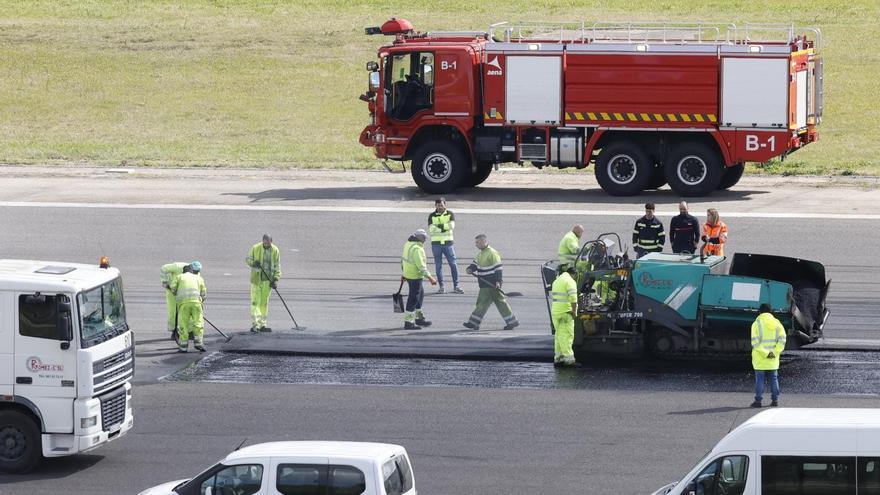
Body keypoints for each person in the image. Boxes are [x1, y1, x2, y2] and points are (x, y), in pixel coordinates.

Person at [462, 234, 519, 331]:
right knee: (500, 303)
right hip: (486, 284)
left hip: (490, 284)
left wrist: (498, 281)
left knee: (482, 303)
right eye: (476, 243)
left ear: (484, 242)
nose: (476, 245)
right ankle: (512, 322)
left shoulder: (492, 253)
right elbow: (475, 264)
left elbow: (498, 268)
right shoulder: (481, 254)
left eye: (478, 242)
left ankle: (473, 323)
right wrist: (470, 269)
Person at [750, 303, 786, 407]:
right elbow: (782, 339)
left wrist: (765, 354)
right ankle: (775, 401)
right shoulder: (777, 323)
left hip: (760, 358)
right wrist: (774, 352)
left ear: (760, 312)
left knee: (759, 379)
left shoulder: (756, 324)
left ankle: (758, 401)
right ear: (770, 312)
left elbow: (755, 343)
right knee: (774, 379)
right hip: (773, 358)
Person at [401, 229, 436, 329]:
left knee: (419, 296)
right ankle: (408, 322)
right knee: (413, 298)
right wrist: (430, 278)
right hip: (415, 276)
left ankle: (419, 318)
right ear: (419, 237)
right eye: (424, 238)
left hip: (408, 274)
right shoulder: (417, 248)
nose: (425, 240)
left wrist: (403, 274)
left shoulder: (408, 244)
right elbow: (421, 266)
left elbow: (402, 259)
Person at [246, 234, 281, 332]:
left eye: (267, 243)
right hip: (257, 280)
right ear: (262, 241)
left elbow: (277, 266)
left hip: (267, 281)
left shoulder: (275, 250)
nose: (265, 245)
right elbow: (247, 259)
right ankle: (255, 325)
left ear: (271, 242)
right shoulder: (255, 248)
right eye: (264, 243)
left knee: (264, 303)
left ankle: (263, 325)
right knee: (255, 302)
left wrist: (275, 279)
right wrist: (254, 263)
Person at [428, 197, 463, 294]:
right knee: (438, 266)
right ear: (435, 205)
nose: (440, 207)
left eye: (441, 205)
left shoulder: (450, 214)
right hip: (436, 244)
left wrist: (438, 227)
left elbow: (451, 226)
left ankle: (456, 286)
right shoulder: (431, 216)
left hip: (448, 243)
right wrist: (445, 227)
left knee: (453, 264)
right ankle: (441, 287)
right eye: (438, 205)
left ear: (445, 205)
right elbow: (431, 230)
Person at [171, 261, 207, 353]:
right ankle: (199, 343)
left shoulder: (179, 277)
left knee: (183, 324)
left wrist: (177, 295)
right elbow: (203, 293)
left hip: (183, 304)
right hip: (196, 304)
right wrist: (201, 302)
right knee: (198, 323)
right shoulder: (199, 278)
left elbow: (173, 288)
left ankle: (183, 347)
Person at [550, 265, 579, 367]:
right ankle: (569, 360)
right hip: (566, 313)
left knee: (559, 336)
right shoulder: (570, 281)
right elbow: (573, 299)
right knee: (567, 336)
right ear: (574, 274)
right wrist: (574, 312)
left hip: (556, 312)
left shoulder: (557, 281)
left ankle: (558, 358)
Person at [160, 261, 191, 335]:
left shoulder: (195, 273)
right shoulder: (177, 267)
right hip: (171, 291)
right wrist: (165, 282)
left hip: (184, 292)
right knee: (173, 311)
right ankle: (173, 330)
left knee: (188, 311)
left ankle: (189, 331)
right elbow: (163, 269)